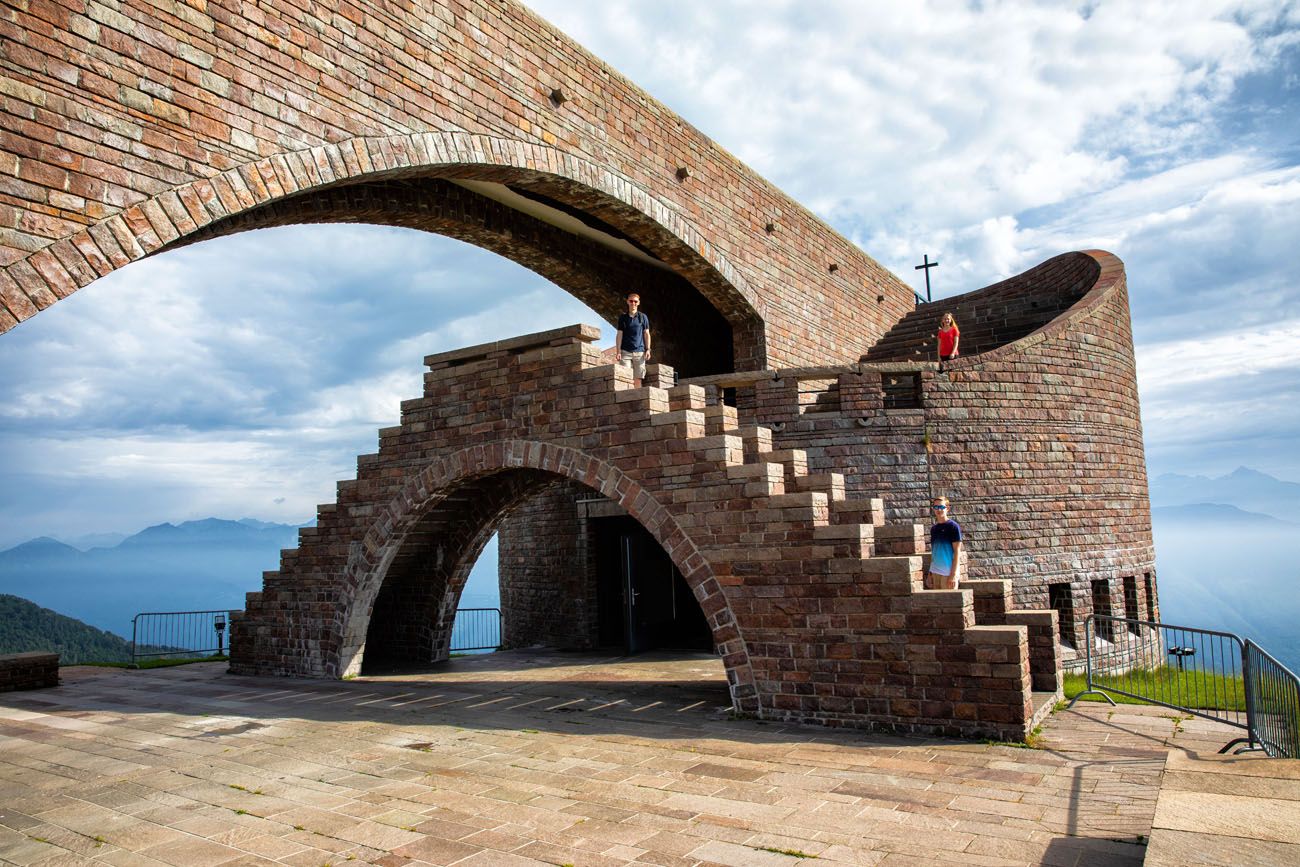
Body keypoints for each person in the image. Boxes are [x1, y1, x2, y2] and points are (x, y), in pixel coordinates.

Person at [615, 292, 652, 387]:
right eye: (631, 301)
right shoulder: (623, 318)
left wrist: (648, 349)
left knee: (638, 379)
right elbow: (619, 334)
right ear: (627, 302)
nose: (633, 303)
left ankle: (638, 400)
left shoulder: (643, 317)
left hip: (639, 352)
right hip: (625, 352)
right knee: (625, 378)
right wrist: (618, 351)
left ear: (638, 303)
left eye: (635, 301)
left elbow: (646, 333)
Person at [927, 496, 963, 590]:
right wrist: (930, 573)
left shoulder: (953, 527)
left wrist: (953, 575)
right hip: (935, 574)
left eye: (941, 507)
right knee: (937, 604)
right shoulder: (934, 529)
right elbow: (934, 553)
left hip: (948, 574)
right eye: (936, 507)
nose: (939, 510)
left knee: (950, 603)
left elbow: (957, 552)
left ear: (947, 508)